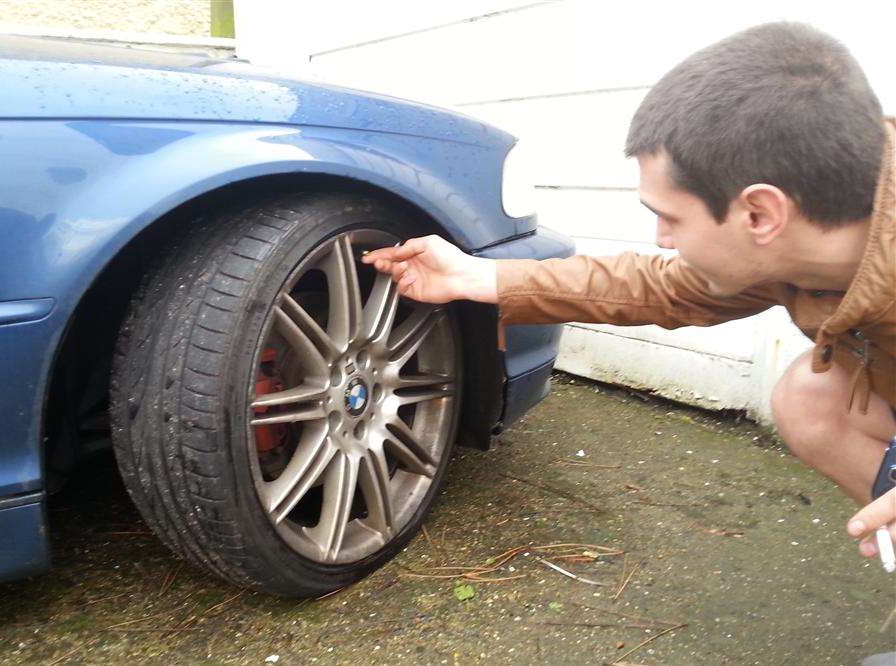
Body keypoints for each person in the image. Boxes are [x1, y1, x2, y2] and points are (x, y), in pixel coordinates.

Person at [363, 23, 896, 574]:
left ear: (760, 214)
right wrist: (481, 278)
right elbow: (659, 285)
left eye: (670, 217)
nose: (662, 240)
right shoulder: (805, 244)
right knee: (811, 396)